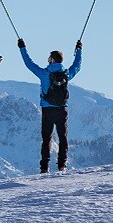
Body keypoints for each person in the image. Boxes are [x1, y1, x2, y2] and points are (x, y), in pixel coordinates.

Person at [19, 37, 83, 173]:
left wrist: (22, 48)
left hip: (47, 110)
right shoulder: (66, 74)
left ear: (52, 60)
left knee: (47, 138)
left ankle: (44, 167)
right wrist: (79, 50)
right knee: (63, 137)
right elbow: (77, 66)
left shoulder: (44, 74)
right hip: (62, 109)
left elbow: (29, 63)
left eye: (49, 58)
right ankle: (62, 165)